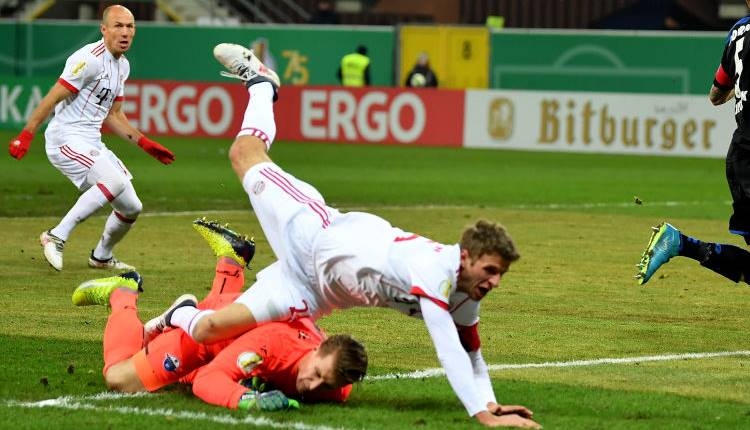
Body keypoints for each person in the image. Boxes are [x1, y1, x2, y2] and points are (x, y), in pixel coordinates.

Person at [156, 42, 540, 428]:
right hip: (312, 232)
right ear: (467, 256)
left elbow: (470, 352)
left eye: (500, 274)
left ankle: (178, 313)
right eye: (491, 270)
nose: (495, 281)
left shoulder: (466, 294)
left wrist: (490, 403)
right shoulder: (434, 268)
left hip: (311, 292)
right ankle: (262, 84)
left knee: (207, 329)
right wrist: (482, 418)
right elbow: (447, 351)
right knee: (243, 153)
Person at [71, 218, 367, 412]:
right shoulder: (273, 346)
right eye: (316, 374)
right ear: (317, 348)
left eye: (325, 384)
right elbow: (209, 380)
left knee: (183, 373)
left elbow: (329, 365)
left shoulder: (337, 383)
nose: (312, 387)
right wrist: (248, 399)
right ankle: (123, 293)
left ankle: (231, 260)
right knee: (120, 378)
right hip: (208, 334)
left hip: (239, 311)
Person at [7, 4, 175, 272]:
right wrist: (27, 134)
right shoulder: (89, 59)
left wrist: (145, 144)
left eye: (130, 26)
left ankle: (101, 256)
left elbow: (114, 115)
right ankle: (56, 235)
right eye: (118, 26)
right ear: (104, 29)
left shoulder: (123, 66)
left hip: (91, 141)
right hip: (65, 138)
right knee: (114, 180)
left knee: (132, 206)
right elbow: (52, 97)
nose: (125, 32)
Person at [635, 3, 750, 286]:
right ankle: (682, 244)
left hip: (742, 157)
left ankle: (681, 244)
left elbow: (716, 93)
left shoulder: (737, 33)